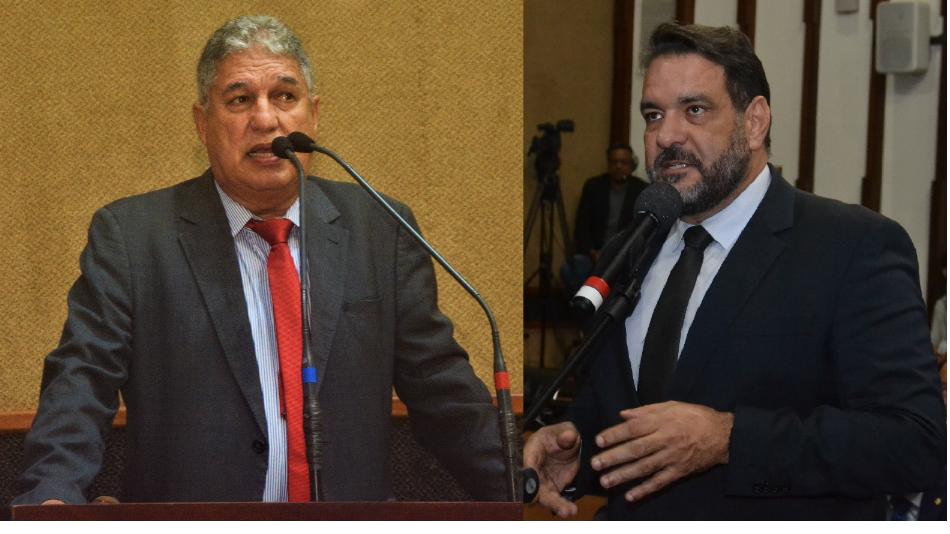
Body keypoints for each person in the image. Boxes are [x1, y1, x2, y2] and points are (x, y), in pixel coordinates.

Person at [14, 15, 505, 504]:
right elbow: (81, 379)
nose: (266, 120)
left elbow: (442, 390)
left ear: (313, 115)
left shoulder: (381, 228)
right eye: (240, 100)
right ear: (202, 124)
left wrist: (518, 483)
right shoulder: (134, 237)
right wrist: (51, 497)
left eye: (285, 97)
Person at [525, 23, 946, 520]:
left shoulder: (852, 247)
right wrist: (575, 449)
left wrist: (729, 439)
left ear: (755, 122)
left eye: (694, 110)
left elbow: (915, 442)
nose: (666, 136)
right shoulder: (628, 250)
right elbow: (622, 414)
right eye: (653, 115)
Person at [561, 145, 649, 294]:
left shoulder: (641, 189)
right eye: (614, 162)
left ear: (631, 164)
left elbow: (643, 230)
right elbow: (581, 226)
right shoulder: (593, 186)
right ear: (608, 163)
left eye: (623, 162)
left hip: (625, 255)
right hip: (594, 254)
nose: (618, 166)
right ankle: (586, 306)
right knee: (571, 268)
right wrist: (593, 252)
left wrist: (622, 254)